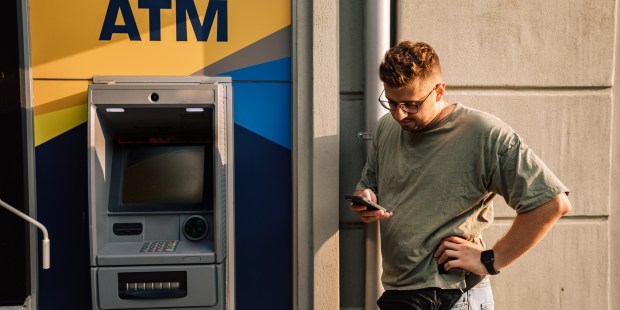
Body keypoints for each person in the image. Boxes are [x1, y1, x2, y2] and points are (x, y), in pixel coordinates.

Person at [349, 40, 571, 310]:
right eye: (391, 103)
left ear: (439, 90)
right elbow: (370, 182)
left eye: (411, 104)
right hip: (402, 294)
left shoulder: (483, 133)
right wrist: (366, 197)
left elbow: (552, 204)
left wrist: (491, 259)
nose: (399, 114)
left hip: (455, 297)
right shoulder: (386, 128)